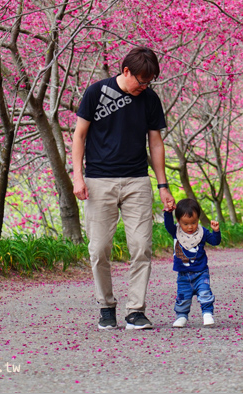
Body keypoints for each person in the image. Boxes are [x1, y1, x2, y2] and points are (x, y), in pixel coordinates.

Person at [72, 46, 175, 331]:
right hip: (98, 181)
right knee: (99, 248)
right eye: (140, 80)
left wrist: (163, 184)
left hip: (137, 181)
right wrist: (77, 177)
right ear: (125, 71)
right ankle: (106, 307)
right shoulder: (96, 92)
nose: (144, 86)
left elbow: (155, 143)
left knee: (141, 246)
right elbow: (79, 135)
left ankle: (135, 311)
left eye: (149, 81)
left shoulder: (150, 99)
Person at [163, 198, 221, 327]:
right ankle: (182, 316)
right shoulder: (176, 232)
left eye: (194, 222)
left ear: (198, 219)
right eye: (185, 223)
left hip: (201, 272)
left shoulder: (203, 232)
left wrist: (216, 231)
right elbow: (167, 224)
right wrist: (168, 212)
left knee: (205, 293)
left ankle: (207, 314)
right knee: (183, 297)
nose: (190, 227)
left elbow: (215, 242)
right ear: (178, 221)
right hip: (183, 274)